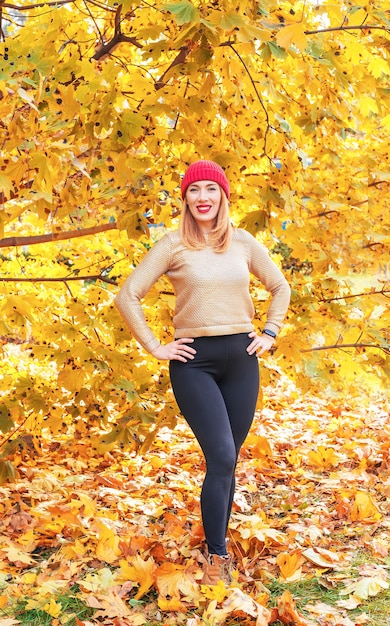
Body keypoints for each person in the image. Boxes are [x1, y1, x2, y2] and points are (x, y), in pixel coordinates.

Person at [114, 160, 291, 585]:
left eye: (211, 190)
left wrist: (270, 331)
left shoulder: (244, 243)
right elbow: (128, 295)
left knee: (225, 464)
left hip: (242, 359)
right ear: (186, 199)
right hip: (195, 362)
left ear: (223, 197)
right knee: (223, 456)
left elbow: (280, 286)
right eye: (195, 191)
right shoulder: (173, 245)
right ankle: (216, 557)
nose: (203, 198)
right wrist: (156, 347)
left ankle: (218, 541)